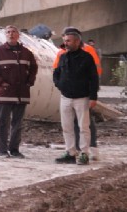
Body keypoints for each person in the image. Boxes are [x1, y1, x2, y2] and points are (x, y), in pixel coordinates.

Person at [0, 25, 38, 159]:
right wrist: (2, 83)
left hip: (21, 94)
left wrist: (29, 82)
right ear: (5, 35)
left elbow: (33, 68)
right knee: (3, 122)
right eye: (8, 32)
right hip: (4, 94)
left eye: (14, 32)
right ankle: (2, 150)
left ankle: (14, 149)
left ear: (18, 35)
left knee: (17, 123)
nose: (11, 34)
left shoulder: (27, 52)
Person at [52, 30, 101, 161]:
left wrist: (93, 97)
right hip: (66, 97)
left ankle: (84, 153)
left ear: (77, 41)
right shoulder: (63, 57)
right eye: (65, 41)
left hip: (82, 97)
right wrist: (59, 84)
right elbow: (56, 73)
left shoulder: (86, 57)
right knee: (66, 126)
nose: (65, 43)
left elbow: (93, 78)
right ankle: (71, 152)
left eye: (68, 41)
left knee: (83, 127)